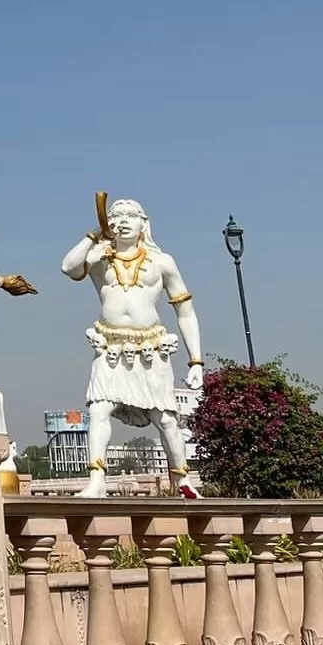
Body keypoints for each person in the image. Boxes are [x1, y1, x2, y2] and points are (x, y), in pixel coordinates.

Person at [60, 198, 204, 498]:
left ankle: (182, 480)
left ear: (144, 224)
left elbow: (186, 311)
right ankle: (97, 479)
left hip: (150, 347)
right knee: (99, 409)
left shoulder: (162, 262)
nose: (122, 221)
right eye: (115, 216)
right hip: (109, 346)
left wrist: (196, 361)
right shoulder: (101, 259)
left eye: (130, 216)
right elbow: (68, 268)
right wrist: (92, 238)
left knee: (165, 419)